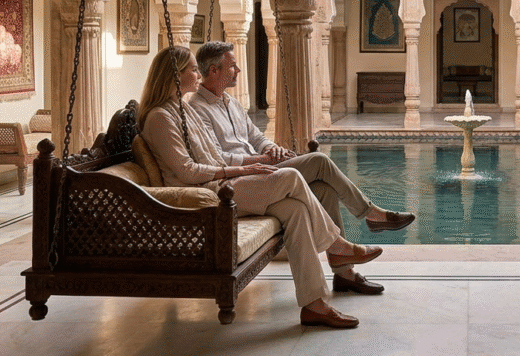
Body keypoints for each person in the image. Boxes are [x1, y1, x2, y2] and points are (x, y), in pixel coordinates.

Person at [138, 46, 377, 329]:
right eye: (192, 69)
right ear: (175, 76)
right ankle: (336, 245)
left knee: (296, 209)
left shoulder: (181, 109)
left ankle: (314, 305)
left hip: (223, 183)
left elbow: (216, 152)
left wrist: (254, 162)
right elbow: (187, 172)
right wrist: (243, 169)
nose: (198, 74)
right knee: (289, 177)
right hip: (209, 195)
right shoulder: (160, 118)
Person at [188, 41, 415, 295]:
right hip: (247, 177)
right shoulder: (198, 109)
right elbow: (218, 158)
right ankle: (370, 214)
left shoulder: (230, 102)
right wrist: (259, 161)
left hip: (262, 168)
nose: (238, 70)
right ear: (214, 71)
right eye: (232, 66)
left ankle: (345, 274)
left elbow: (255, 137)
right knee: (319, 161)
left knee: (325, 190)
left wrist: (271, 149)